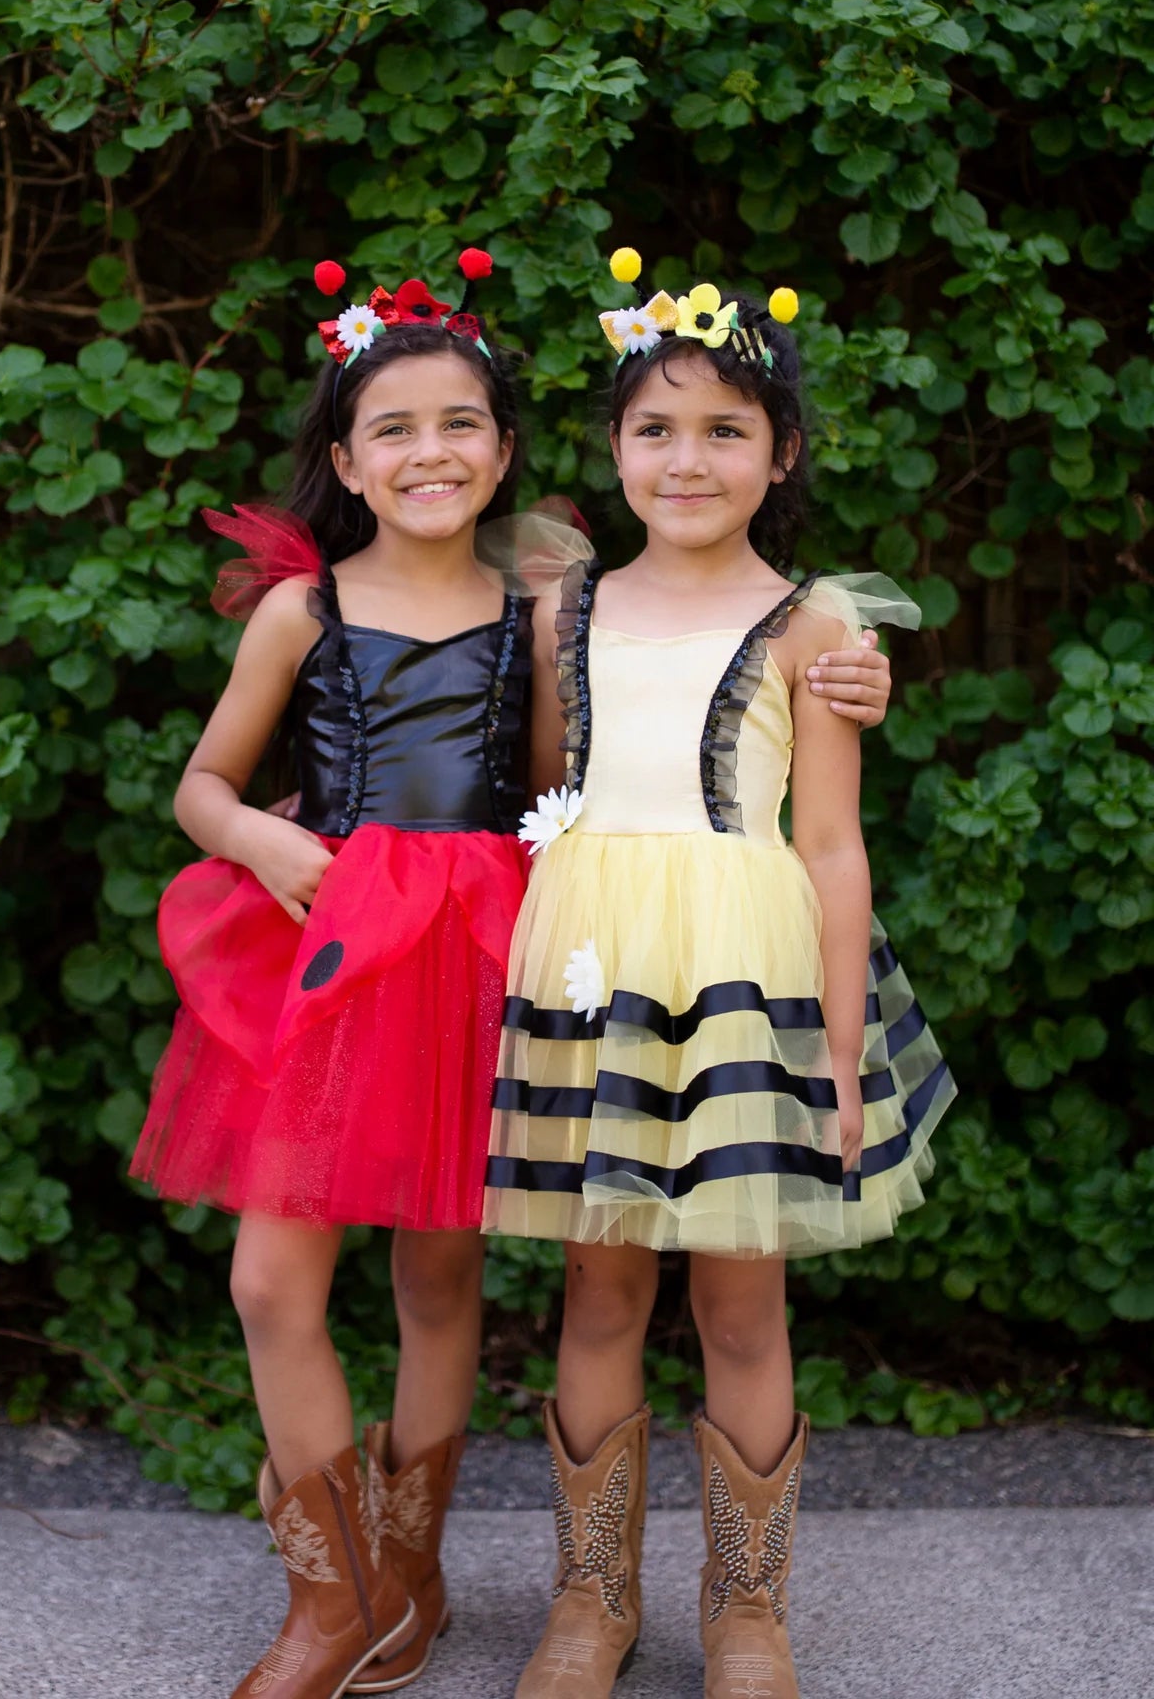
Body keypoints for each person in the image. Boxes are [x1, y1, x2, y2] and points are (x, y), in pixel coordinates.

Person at [130, 247, 894, 1699]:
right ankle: (422, 1595)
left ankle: (627, 1601)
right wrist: (274, 839)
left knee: (581, 1287)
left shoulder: (648, 611)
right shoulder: (431, 610)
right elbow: (246, 784)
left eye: (461, 425)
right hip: (426, 956)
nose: (432, 453)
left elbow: (667, 789)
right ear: (345, 461)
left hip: (608, 958)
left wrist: (853, 674)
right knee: (391, 1284)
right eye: (395, 429)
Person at [482, 254, 957, 1699]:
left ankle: (747, 1611)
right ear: (615, 450)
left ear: (783, 452)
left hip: (751, 979)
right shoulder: (570, 609)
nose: (687, 460)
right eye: (656, 430)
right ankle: (589, 1602)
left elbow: (830, 844)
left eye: (726, 431)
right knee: (600, 1292)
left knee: (745, 1302)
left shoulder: (821, 627)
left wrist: (834, 1045)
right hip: (599, 969)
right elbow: (548, 785)